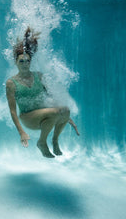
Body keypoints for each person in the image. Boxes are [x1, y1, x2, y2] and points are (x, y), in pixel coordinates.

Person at [6, 27, 79, 158]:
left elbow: (51, 98)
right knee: (55, 112)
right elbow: (12, 111)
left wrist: (67, 117)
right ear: (16, 62)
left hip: (44, 116)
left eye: (27, 61)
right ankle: (42, 142)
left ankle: (55, 140)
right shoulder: (11, 83)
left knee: (66, 110)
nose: (25, 64)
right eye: (21, 61)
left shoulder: (39, 76)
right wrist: (21, 132)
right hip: (28, 118)